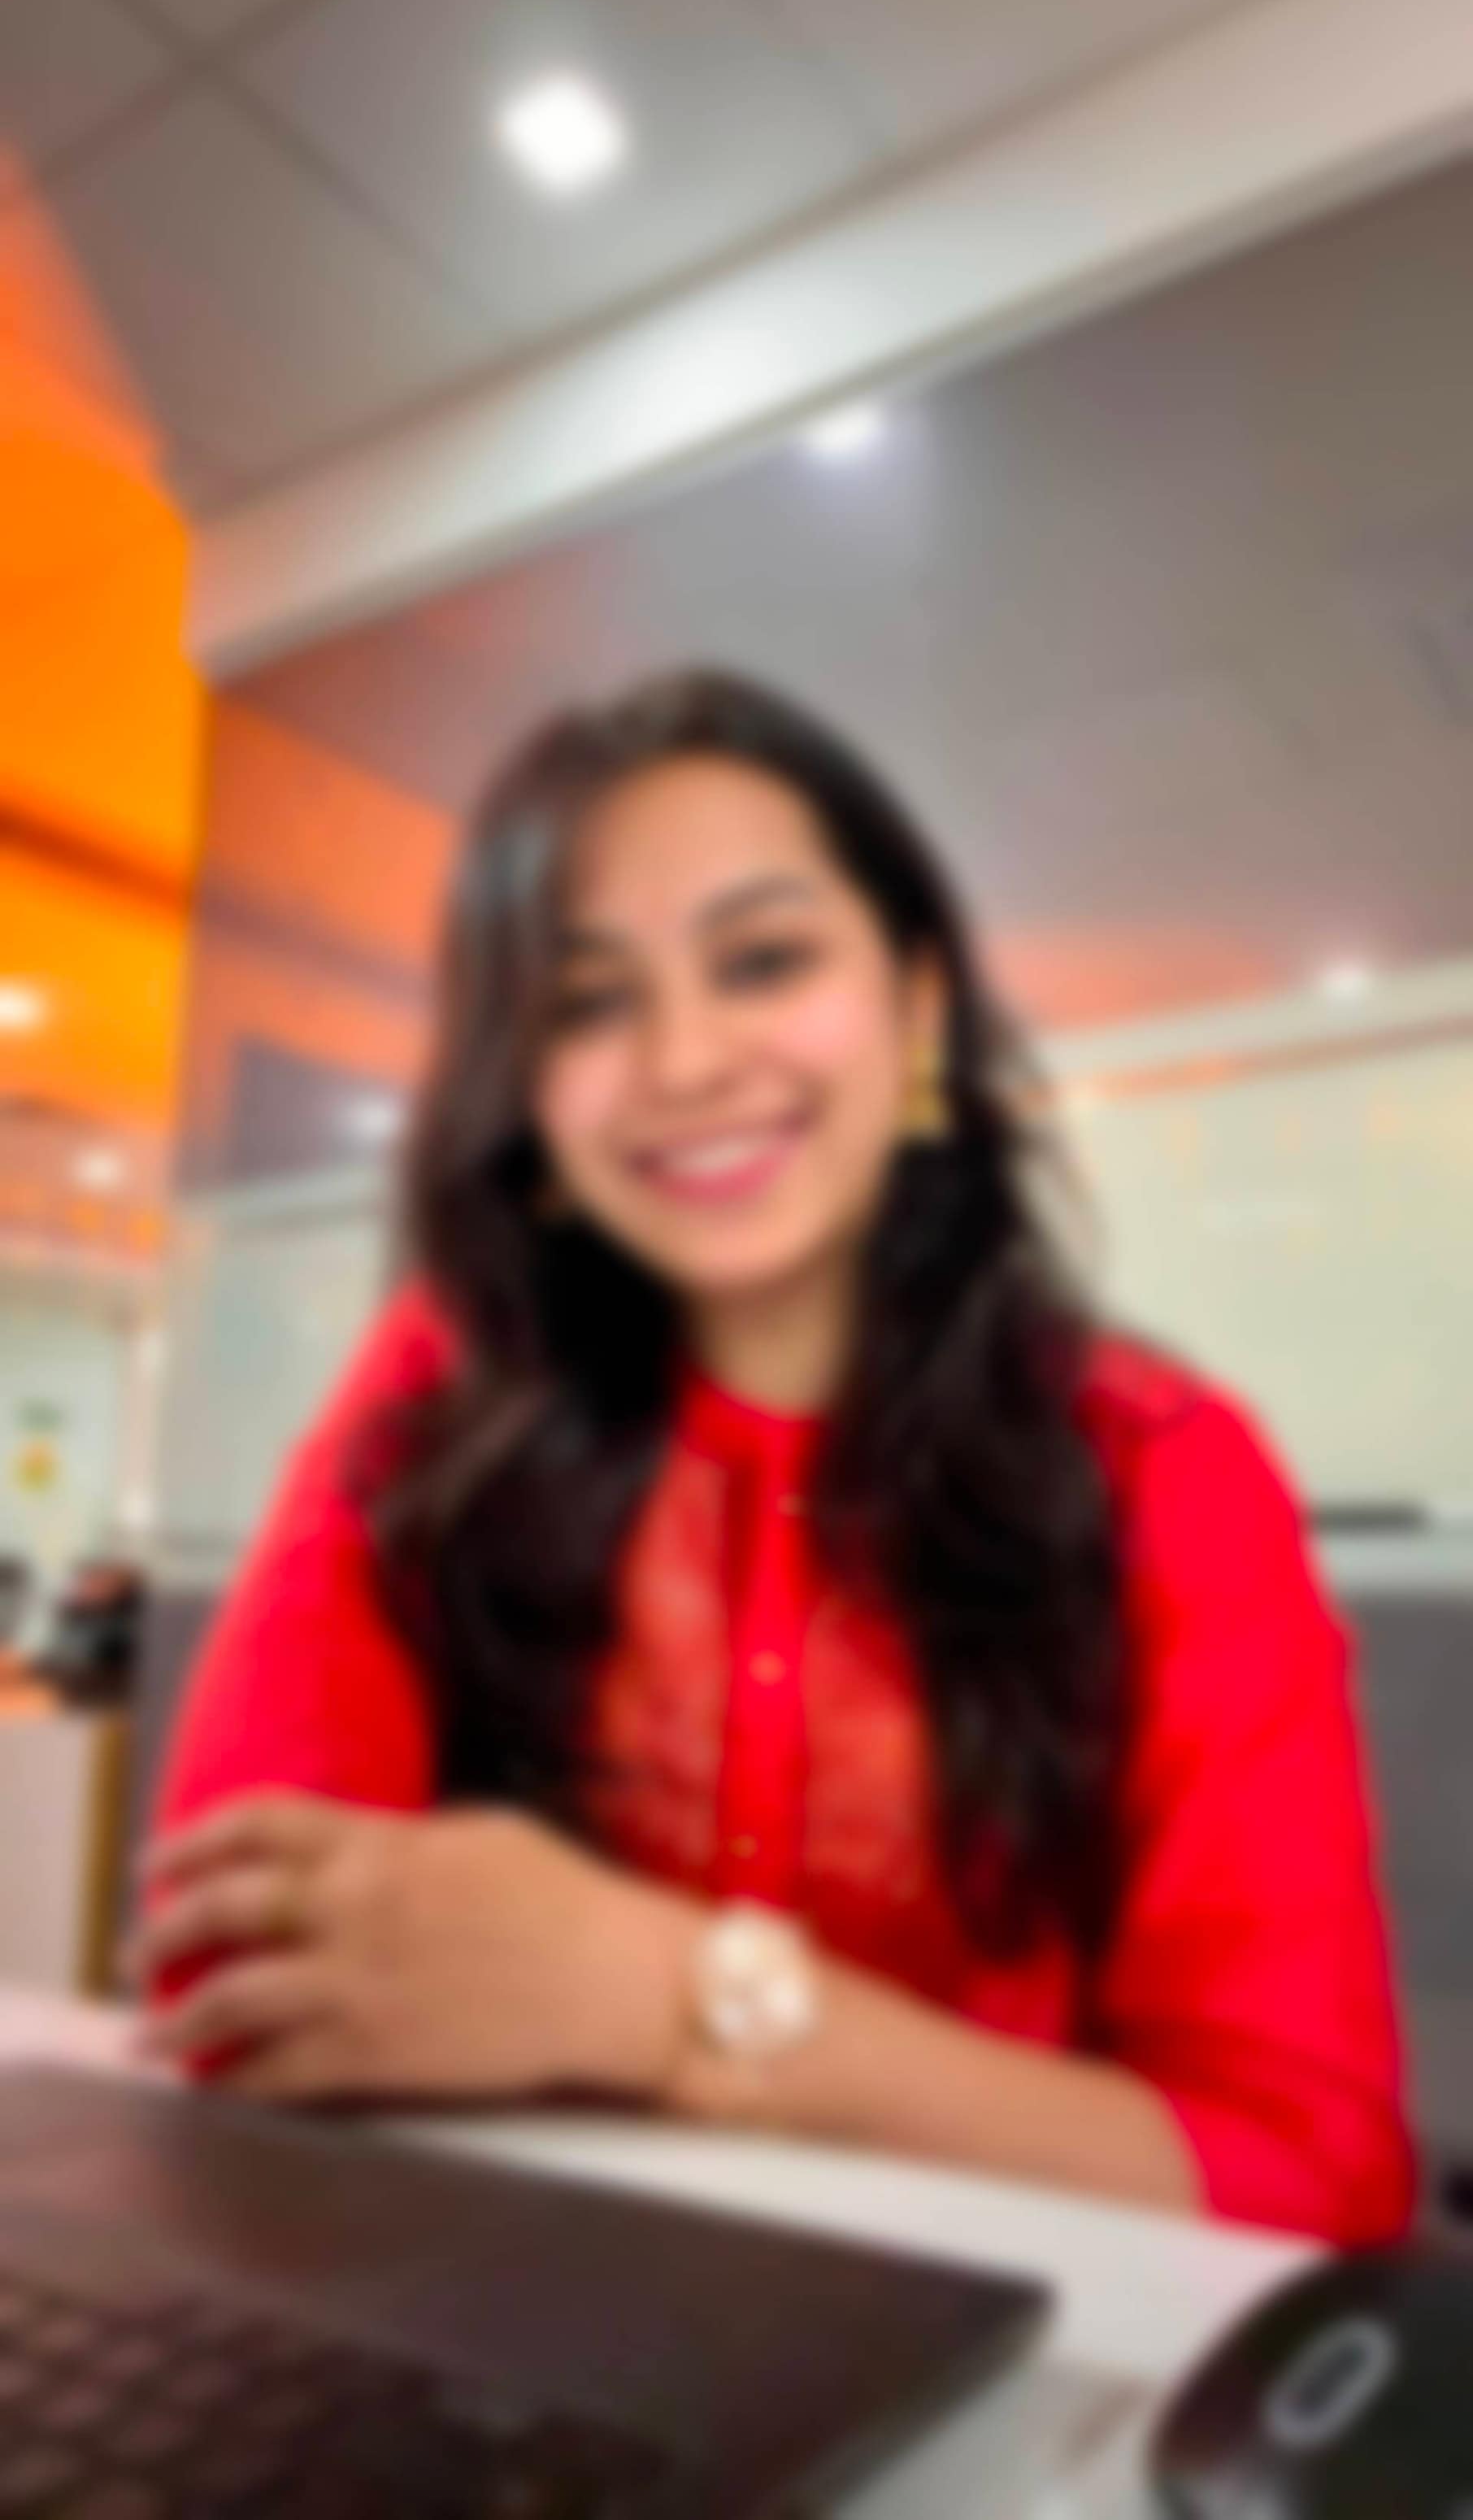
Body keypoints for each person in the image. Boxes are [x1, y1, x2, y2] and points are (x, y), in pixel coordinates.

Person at [135, 670, 1413, 2241]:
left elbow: (1306, 2172)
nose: (684, 1060)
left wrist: (668, 2000)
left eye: (764, 960)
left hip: (1012, 2349)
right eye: (586, 1003)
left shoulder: (1163, 1468)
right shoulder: (447, 1402)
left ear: (918, 1006)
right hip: (502, 2313)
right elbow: (235, 1973)